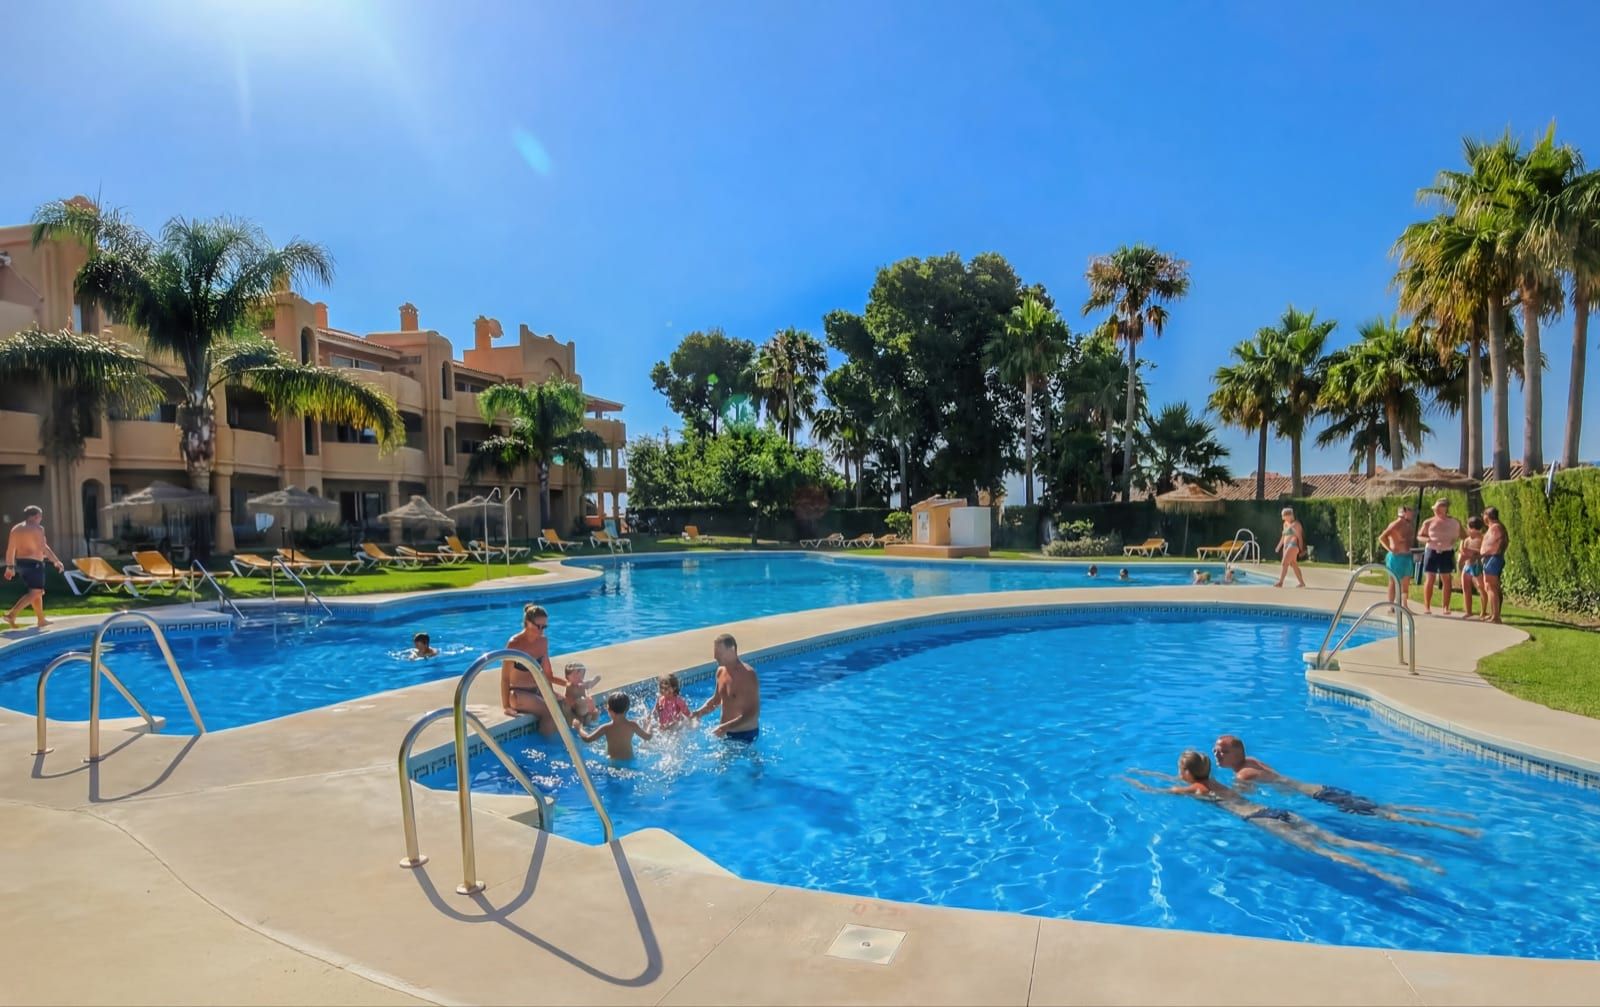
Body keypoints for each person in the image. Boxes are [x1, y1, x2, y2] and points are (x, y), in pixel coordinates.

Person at [1126, 750, 1437, 888]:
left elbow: (1165, 790)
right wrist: (1154, 773)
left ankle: (1387, 877)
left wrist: (1137, 782)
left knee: (1324, 851)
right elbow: (1185, 780)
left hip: (1263, 820)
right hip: (1281, 812)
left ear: (1186, 774)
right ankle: (1407, 857)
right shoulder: (1214, 780)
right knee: (1339, 840)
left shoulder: (1194, 789)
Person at [1212, 735, 1478, 836]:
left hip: (1322, 798)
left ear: (1237, 753)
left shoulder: (1244, 774)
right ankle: (1452, 819)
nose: (1217, 755)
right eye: (1215, 751)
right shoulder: (1252, 761)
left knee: (1385, 815)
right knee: (1381, 808)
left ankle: (1452, 827)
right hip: (1321, 789)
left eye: (1222, 751)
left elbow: (1243, 802)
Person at [500, 603, 567, 733]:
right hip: (518, 694)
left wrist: (553, 692)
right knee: (549, 712)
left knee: (564, 705)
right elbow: (505, 678)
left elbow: (547, 675)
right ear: (527, 622)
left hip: (537, 690)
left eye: (544, 627)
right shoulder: (514, 644)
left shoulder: (543, 642)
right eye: (538, 626)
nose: (541, 630)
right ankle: (551, 750)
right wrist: (506, 706)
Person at [5, 506, 66, 631]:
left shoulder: (16, 529)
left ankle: (41, 620)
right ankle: (12, 614)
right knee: (37, 592)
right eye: (40, 516)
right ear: (34, 516)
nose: (41, 519)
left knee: (36, 592)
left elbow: (10, 549)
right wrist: (56, 561)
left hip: (21, 563)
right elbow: (43, 547)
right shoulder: (38, 528)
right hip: (34, 564)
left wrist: (10, 567)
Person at [691, 632, 761, 741]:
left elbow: (752, 713)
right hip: (725, 733)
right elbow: (716, 700)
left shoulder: (747, 675)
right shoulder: (720, 671)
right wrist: (697, 713)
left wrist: (724, 727)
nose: (715, 656)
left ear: (731, 650)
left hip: (745, 736)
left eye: (718, 652)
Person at [574, 693, 652, 761]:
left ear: (609, 710)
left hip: (613, 762)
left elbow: (587, 739)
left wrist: (579, 728)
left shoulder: (606, 728)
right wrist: (649, 725)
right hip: (629, 760)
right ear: (627, 709)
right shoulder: (632, 725)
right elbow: (648, 737)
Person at [1419, 499, 1463, 616]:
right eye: (1435, 509)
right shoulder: (1428, 522)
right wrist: (1426, 539)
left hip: (1447, 551)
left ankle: (1445, 607)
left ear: (1445, 509)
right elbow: (1419, 535)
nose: (1437, 511)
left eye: (1439, 509)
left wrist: (1457, 540)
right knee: (1430, 578)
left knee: (1446, 579)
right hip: (1432, 550)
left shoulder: (1454, 522)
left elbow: (1463, 534)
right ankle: (1427, 606)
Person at [1377, 505, 1417, 610]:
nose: (1412, 514)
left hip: (1407, 556)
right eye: (1410, 511)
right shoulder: (1395, 524)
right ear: (1403, 513)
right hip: (1396, 557)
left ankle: (1404, 605)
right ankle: (1391, 606)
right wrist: (1390, 549)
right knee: (1393, 581)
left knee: (1406, 582)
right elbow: (1382, 537)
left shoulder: (1409, 525)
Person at [1478, 507, 1508, 624]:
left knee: (1491, 587)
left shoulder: (1497, 528)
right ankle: (1493, 614)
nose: (1483, 517)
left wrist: (1487, 553)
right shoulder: (1493, 527)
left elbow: (1500, 544)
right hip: (1490, 558)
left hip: (1493, 559)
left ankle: (1496, 616)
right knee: (1490, 587)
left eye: (1483, 515)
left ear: (1487, 515)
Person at [1458, 516, 1486, 619]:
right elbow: (1462, 551)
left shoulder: (1481, 538)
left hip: (1477, 565)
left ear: (1472, 527)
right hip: (1467, 565)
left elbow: (1481, 552)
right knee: (1466, 588)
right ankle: (1468, 611)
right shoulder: (1466, 539)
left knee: (1481, 588)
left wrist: (1472, 552)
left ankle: (1483, 612)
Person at [1274, 506, 1306, 588]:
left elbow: (1299, 537)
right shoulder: (1285, 524)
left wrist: (1301, 549)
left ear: (1289, 515)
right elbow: (1283, 537)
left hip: (1293, 545)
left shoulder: (1296, 524)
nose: (1282, 517)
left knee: (1284, 563)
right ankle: (1302, 583)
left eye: (1284, 515)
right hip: (1286, 546)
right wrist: (1279, 547)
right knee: (1293, 564)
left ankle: (1280, 582)